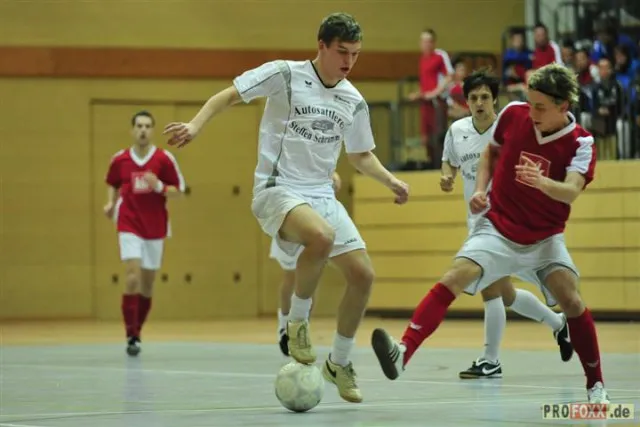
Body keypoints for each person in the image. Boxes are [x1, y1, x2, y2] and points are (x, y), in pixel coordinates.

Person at [163, 12, 409, 404]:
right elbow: (228, 95)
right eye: (342, 51)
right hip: (277, 188)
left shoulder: (353, 99)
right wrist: (195, 125)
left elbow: (360, 155)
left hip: (321, 195)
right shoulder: (285, 74)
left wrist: (390, 180)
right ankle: (296, 324)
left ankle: (339, 363)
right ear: (321, 46)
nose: (349, 61)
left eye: (356, 54)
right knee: (320, 237)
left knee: (363, 275)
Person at [371, 63, 610, 404]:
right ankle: (403, 352)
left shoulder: (581, 142)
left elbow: (571, 191)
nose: (532, 112)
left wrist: (541, 182)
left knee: (571, 299)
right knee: (456, 276)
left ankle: (595, 385)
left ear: (563, 106)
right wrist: (481, 189)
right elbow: (490, 153)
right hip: (497, 226)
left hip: (544, 237)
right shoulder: (513, 114)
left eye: (540, 107)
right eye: (530, 103)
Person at [440, 70, 572, 379]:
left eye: (485, 97)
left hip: (505, 221)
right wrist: (447, 175)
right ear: (466, 101)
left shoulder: (510, 127)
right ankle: (558, 324)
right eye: (473, 98)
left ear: (494, 99)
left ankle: (491, 359)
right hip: (476, 220)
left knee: (491, 289)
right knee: (505, 292)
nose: (479, 103)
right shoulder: (457, 130)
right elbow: (449, 160)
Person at [103, 110, 187, 356]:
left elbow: (179, 190)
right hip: (128, 223)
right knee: (132, 277)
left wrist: (159, 186)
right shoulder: (120, 159)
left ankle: (137, 330)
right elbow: (112, 183)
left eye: (147, 126)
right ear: (132, 130)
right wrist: (110, 204)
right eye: (139, 126)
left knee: (147, 285)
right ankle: (130, 334)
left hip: (155, 227)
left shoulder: (163, 159)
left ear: (152, 130)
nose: (143, 130)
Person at [275, 171, 341, 356]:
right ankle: (284, 326)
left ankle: (302, 326)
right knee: (291, 275)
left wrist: (334, 180)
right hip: (290, 214)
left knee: (312, 276)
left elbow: (335, 180)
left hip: (316, 217)